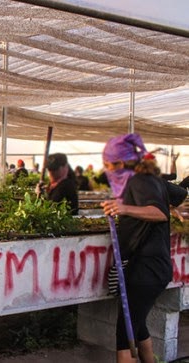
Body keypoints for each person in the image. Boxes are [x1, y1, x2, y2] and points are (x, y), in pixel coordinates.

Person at [99, 134, 186, 363]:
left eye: (109, 163)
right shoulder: (151, 178)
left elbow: (157, 213)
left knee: (124, 335)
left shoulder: (139, 180)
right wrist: (168, 204)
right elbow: (180, 194)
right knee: (137, 327)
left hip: (146, 267)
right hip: (153, 266)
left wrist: (124, 208)